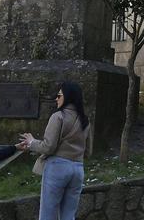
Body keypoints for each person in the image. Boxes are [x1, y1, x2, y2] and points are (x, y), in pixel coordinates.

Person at [18, 81, 90, 220]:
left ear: (68, 97)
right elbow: (88, 150)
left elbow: (48, 147)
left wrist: (32, 142)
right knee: (69, 215)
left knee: (48, 213)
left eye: (59, 96)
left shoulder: (58, 116)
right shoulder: (85, 120)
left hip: (58, 167)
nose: (56, 99)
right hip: (77, 168)